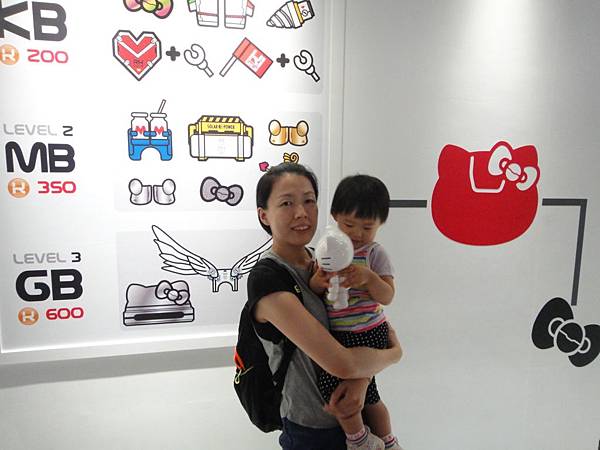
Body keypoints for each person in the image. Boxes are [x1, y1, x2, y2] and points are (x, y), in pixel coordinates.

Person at [248, 163, 402, 450]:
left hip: (359, 413)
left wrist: (362, 380)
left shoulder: (322, 257)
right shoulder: (267, 279)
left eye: (309, 200)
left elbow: (361, 329)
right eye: (286, 203)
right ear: (264, 215)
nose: (301, 212)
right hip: (313, 429)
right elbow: (342, 363)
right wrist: (393, 354)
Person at [309, 174, 403, 450]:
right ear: (335, 216)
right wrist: (318, 282)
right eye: (349, 224)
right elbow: (313, 289)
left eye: (367, 227)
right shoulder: (328, 248)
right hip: (339, 335)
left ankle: (360, 440)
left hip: (370, 331)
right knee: (367, 396)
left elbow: (388, 296)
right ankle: (386, 441)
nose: (357, 234)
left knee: (337, 389)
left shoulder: (374, 253)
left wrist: (370, 278)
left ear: (380, 224)